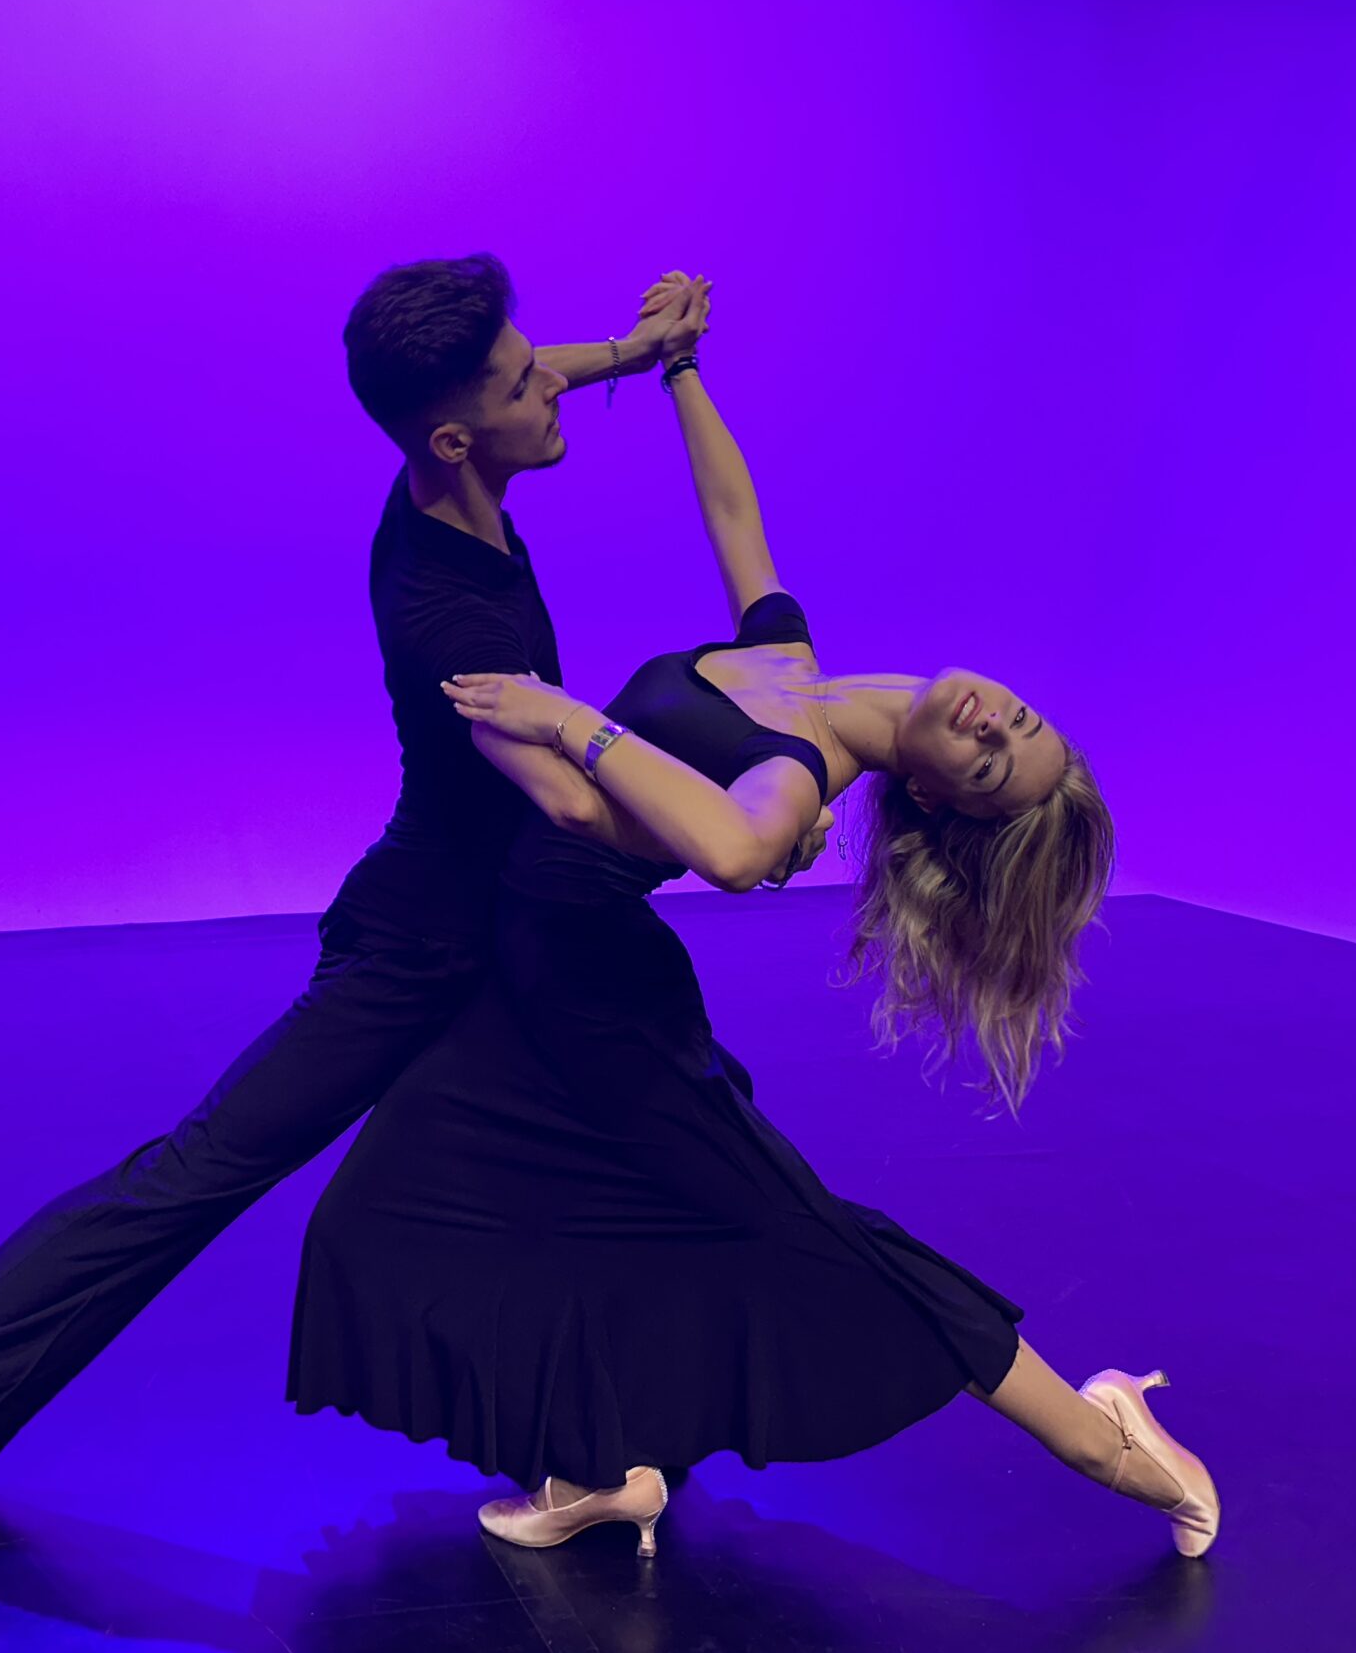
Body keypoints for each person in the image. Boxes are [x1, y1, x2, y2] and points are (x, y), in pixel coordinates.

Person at [0, 254, 722, 1554]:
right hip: (423, 950)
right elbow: (582, 811)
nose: (550, 382)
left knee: (665, 1133)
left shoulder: (458, 467)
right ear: (452, 436)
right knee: (194, 1179)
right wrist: (730, 819)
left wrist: (643, 350)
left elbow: (543, 372)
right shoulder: (448, 617)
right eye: (518, 381)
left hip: (524, 925)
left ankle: (612, 1438)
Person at [286, 315, 1220, 1560]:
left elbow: (730, 854)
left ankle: (1105, 1439)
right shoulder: (785, 660)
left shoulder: (797, 768)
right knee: (425, 1207)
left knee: (804, 1235)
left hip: (592, 999)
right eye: (1020, 719)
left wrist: (568, 721)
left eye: (992, 761)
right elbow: (735, 516)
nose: (992, 723)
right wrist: (676, 369)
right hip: (539, 980)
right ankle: (598, 1467)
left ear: (936, 795)